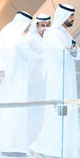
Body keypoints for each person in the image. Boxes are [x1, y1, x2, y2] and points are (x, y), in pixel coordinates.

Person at [30, 4, 80, 158]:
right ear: (64, 16)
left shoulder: (65, 34)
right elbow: (62, 55)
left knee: (67, 117)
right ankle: (39, 147)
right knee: (55, 117)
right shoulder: (53, 34)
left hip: (68, 82)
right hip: (58, 83)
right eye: (71, 16)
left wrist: (71, 48)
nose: (73, 19)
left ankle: (63, 151)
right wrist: (71, 49)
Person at [0, 11, 32, 157]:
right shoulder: (16, 37)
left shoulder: (6, 32)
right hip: (16, 82)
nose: (28, 28)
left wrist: (0, 69)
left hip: (10, 81)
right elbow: (30, 56)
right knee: (15, 113)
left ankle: (9, 144)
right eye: (27, 25)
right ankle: (13, 145)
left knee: (9, 112)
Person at [23, 14, 50, 146]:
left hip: (45, 81)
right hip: (33, 81)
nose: (44, 28)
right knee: (32, 110)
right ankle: (29, 140)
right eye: (42, 26)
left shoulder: (48, 39)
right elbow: (27, 59)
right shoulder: (30, 40)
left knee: (43, 111)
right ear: (37, 26)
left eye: (47, 26)